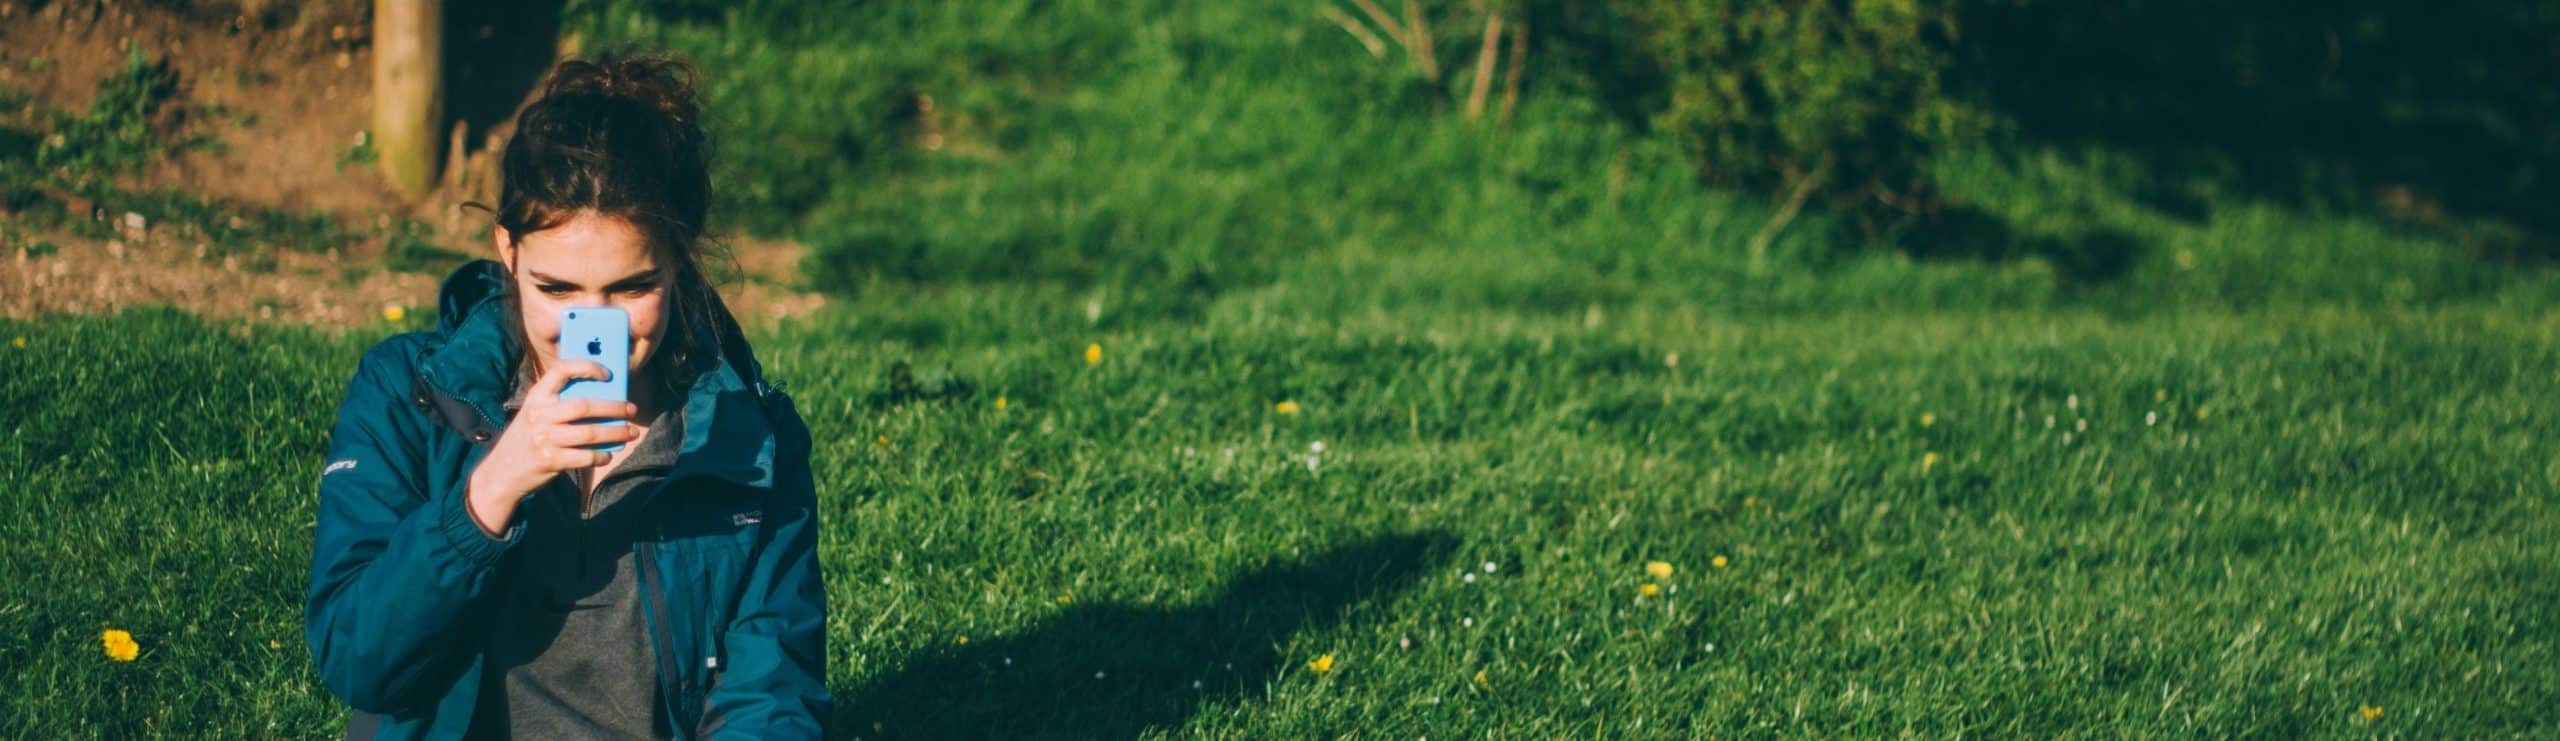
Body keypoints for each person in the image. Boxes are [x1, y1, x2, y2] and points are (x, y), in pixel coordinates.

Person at [304, 53, 827, 739]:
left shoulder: (747, 438)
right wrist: (484, 497)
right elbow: (359, 661)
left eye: (632, 287)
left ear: (678, 260)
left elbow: (770, 698)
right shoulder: (410, 395)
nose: (593, 326)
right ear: (508, 253)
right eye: (555, 289)